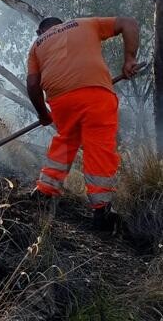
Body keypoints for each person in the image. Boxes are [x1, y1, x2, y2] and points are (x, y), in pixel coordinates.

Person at [26, 16, 140, 228]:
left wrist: (43, 113)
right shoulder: (85, 23)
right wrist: (129, 59)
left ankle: (45, 190)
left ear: (41, 31)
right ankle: (101, 209)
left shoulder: (37, 45)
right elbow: (128, 22)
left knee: (66, 140)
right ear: (60, 24)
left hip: (61, 101)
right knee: (98, 146)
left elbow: (33, 84)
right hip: (96, 92)